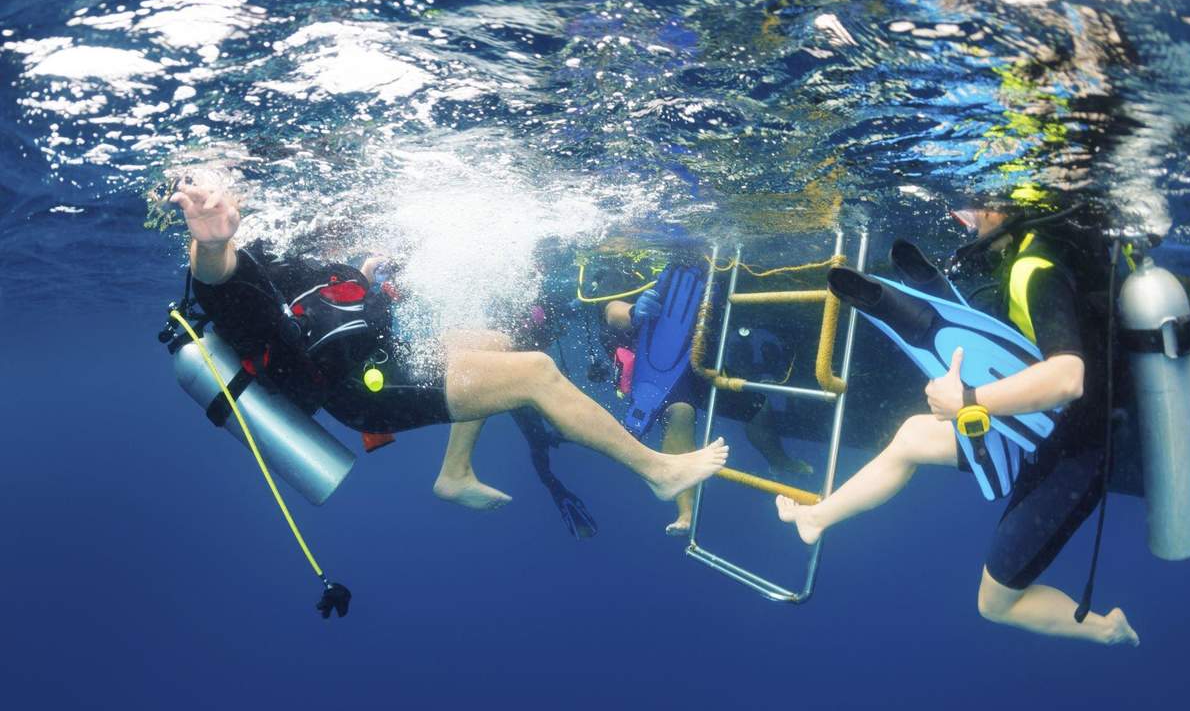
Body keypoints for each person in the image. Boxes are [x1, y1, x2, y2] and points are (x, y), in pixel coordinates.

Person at [168, 181, 728, 513]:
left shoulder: (305, 260)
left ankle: (454, 474)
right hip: (368, 392)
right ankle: (656, 471)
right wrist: (209, 239)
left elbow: (337, 304)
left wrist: (370, 275)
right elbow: (217, 274)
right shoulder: (243, 274)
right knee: (534, 371)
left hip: (383, 364)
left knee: (495, 342)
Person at [775, 206, 1140, 646]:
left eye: (972, 213)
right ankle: (816, 518)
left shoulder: (1033, 267)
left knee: (995, 605)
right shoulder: (1053, 252)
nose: (965, 223)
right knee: (912, 437)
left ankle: (1107, 630)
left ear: (998, 209)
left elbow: (1067, 378)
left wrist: (966, 400)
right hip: (1040, 425)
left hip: (1076, 456)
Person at [604, 288, 811, 536]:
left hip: (695, 357)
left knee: (757, 405)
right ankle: (686, 510)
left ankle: (778, 461)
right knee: (680, 413)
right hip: (657, 364)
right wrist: (633, 311)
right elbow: (608, 309)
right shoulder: (634, 271)